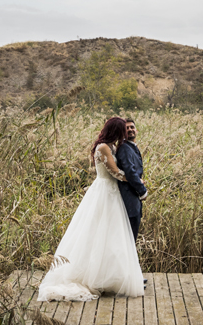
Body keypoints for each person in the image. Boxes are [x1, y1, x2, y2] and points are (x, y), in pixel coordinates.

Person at [37, 117, 145, 301]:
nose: (124, 134)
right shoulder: (103, 147)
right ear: (115, 131)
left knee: (111, 235)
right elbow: (114, 172)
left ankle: (110, 276)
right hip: (104, 192)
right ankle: (92, 276)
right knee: (96, 233)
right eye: (121, 130)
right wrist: (135, 181)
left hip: (112, 194)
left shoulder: (112, 146)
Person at [115, 118, 147, 240]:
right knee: (129, 238)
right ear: (122, 132)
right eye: (126, 128)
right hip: (129, 199)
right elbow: (130, 172)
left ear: (136, 130)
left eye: (132, 127)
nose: (130, 130)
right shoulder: (124, 148)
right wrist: (143, 191)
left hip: (133, 198)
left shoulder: (131, 147)